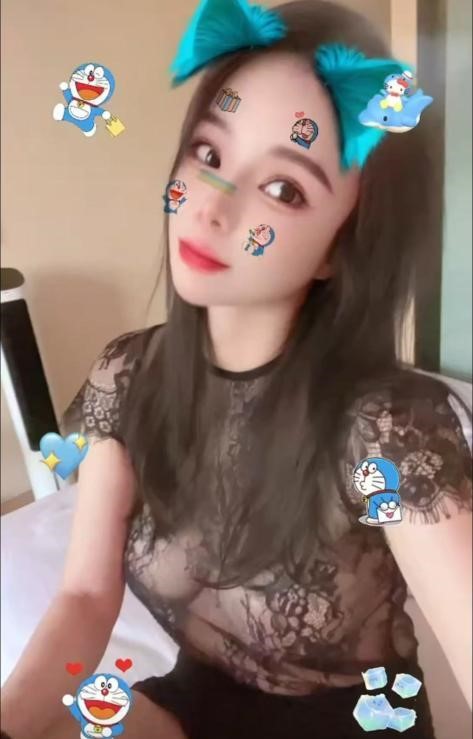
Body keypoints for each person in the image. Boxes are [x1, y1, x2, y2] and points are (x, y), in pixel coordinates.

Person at [2, 1, 472, 738]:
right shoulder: (128, 376)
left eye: (283, 189)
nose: (212, 208)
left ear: (337, 249)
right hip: (193, 705)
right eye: (210, 155)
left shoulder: (382, 427)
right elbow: (87, 598)